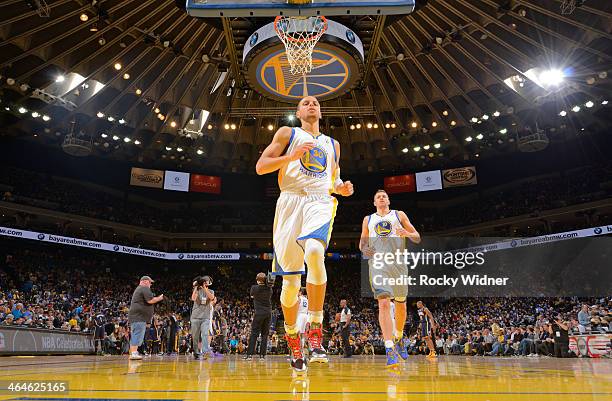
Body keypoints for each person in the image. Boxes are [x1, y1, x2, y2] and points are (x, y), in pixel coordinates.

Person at [256, 95, 354, 373]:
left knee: (314, 251)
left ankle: (315, 325)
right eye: (305, 103)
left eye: (315, 103)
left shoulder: (333, 145)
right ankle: (293, 338)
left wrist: (341, 188)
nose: (311, 105)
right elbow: (261, 166)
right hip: (289, 203)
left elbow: (333, 180)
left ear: (320, 112)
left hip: (319, 201)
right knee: (289, 286)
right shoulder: (288, 133)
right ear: (298, 112)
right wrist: (291, 156)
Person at [360, 189, 421, 369]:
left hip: (398, 264)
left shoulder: (398, 214)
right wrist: (364, 250)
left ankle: (399, 336)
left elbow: (417, 237)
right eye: (378, 196)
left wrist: (407, 234)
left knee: (401, 304)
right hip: (378, 264)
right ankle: (389, 348)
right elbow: (362, 242)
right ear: (374, 202)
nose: (381, 198)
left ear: (388, 200)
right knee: (384, 303)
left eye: (384, 196)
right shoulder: (368, 219)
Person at [127, 276, 164, 360]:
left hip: (137, 316)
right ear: (145, 281)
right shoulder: (144, 288)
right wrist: (159, 298)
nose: (151, 284)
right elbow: (150, 300)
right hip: (139, 317)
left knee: (136, 333)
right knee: (137, 333)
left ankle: (134, 352)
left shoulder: (139, 289)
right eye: (150, 282)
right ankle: (133, 353)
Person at [244, 272, 273, 360]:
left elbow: (252, 296)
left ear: (257, 280)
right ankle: (262, 356)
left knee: (254, 333)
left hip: (259, 313)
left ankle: (249, 355)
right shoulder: (269, 289)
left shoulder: (254, 288)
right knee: (265, 334)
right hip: (268, 312)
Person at [190, 275, 215, 360]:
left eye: (206, 282)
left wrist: (205, 288)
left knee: (205, 334)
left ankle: (205, 352)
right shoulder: (197, 290)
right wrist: (196, 287)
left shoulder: (211, 291)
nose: (205, 283)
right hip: (195, 317)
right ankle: (196, 352)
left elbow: (212, 298)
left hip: (205, 317)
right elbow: (193, 298)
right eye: (204, 281)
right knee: (195, 336)